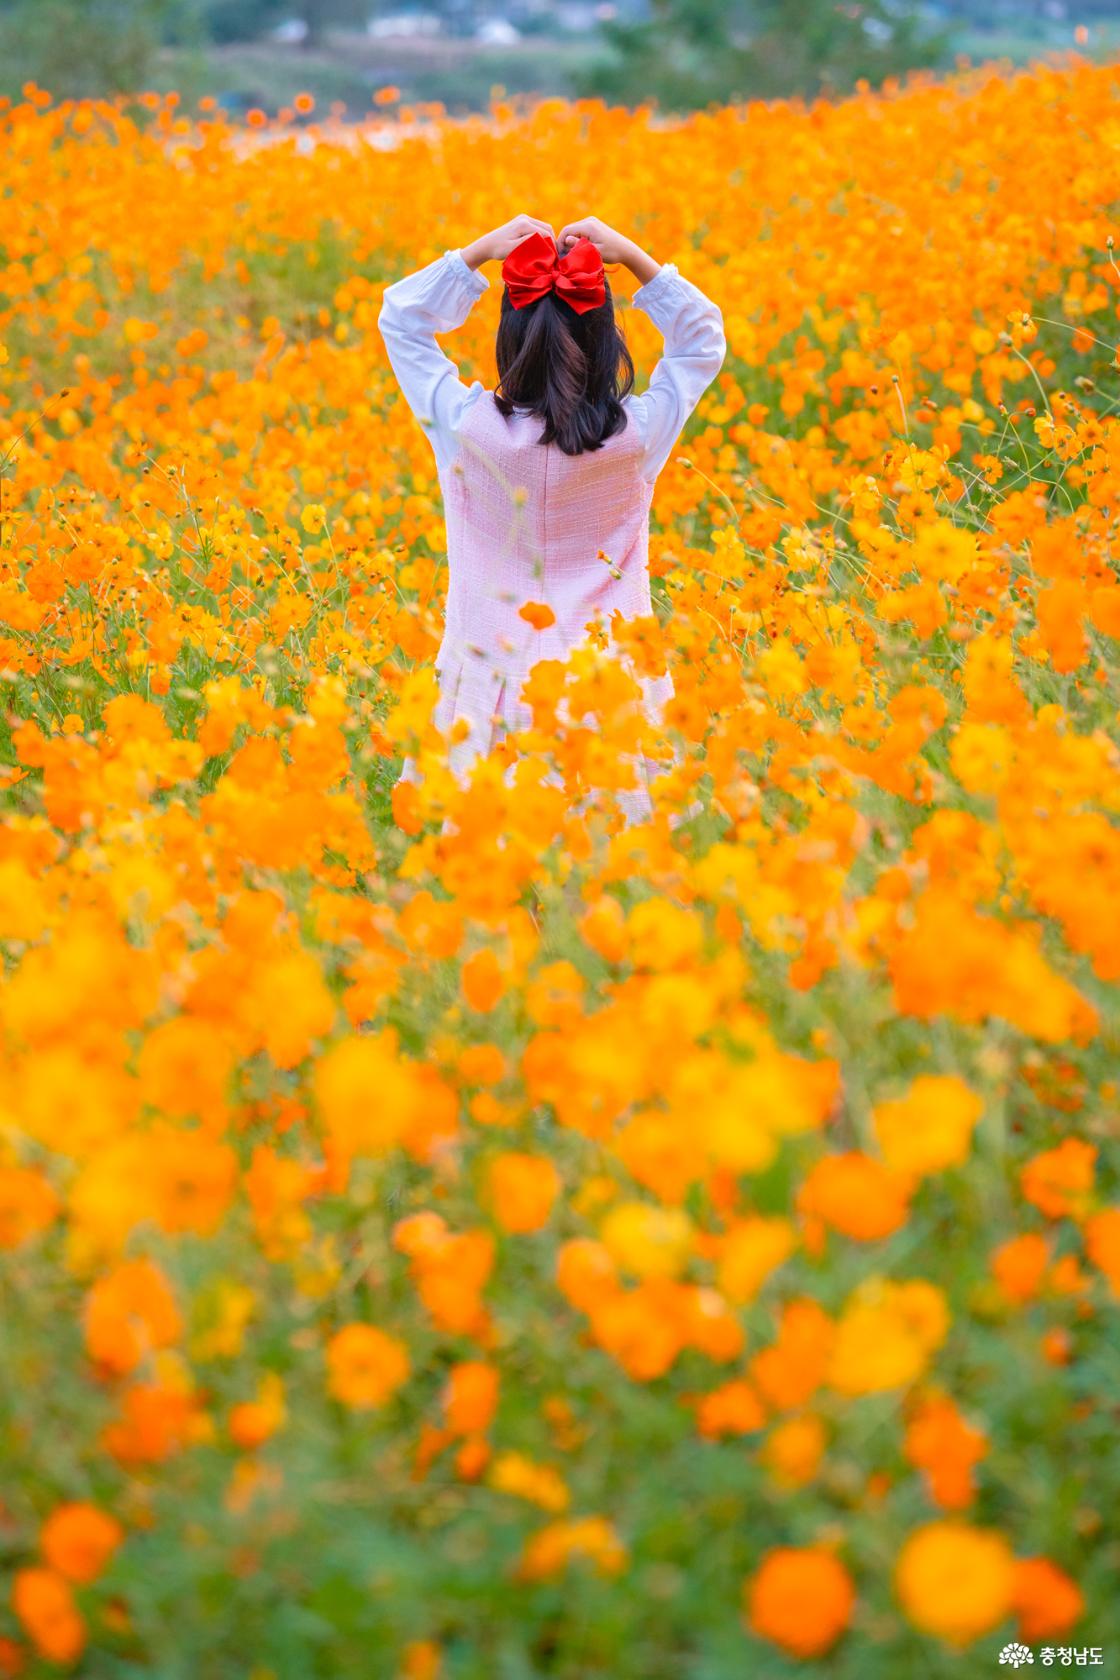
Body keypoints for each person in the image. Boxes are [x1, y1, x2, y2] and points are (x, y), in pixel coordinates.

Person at [378, 212, 726, 820]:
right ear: (606, 342)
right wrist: (634, 255)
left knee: (491, 882)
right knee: (613, 883)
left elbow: (401, 320)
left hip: (487, 690)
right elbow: (702, 339)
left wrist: (480, 250)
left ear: (510, 342)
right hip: (608, 693)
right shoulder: (637, 437)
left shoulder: (464, 429)